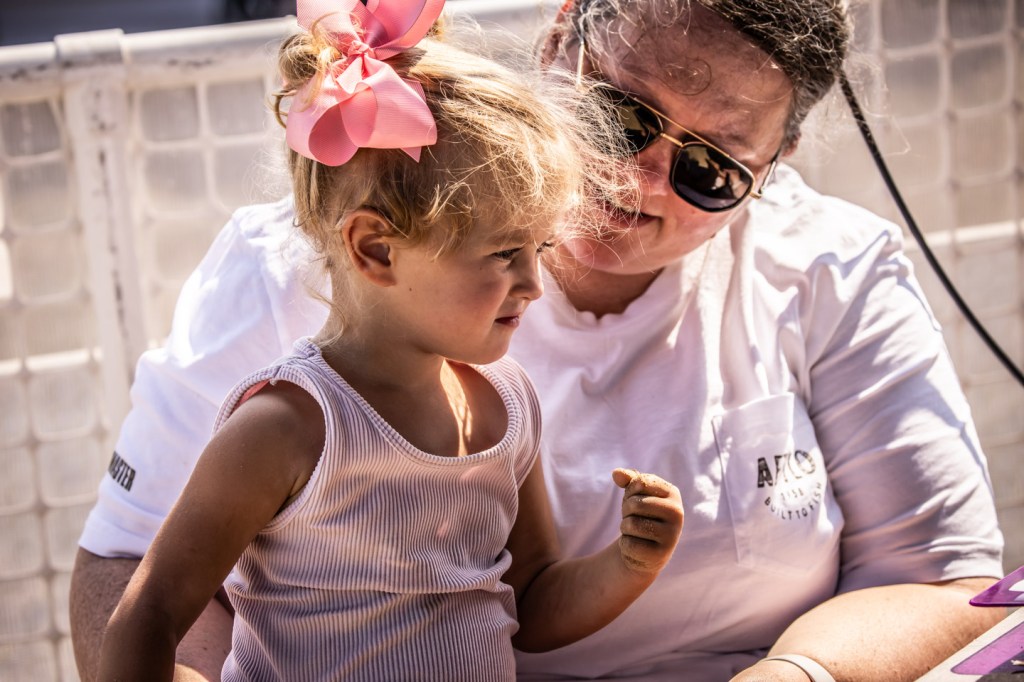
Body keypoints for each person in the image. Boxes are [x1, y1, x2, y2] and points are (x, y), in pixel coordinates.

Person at [72, 0, 1007, 680]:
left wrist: (792, 676)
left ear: (775, 165)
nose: (640, 180)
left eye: (711, 170)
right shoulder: (307, 263)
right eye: (620, 115)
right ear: (560, 36)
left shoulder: (833, 269)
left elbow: (946, 585)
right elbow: (129, 570)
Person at [92, 1, 684, 679]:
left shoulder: (505, 405)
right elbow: (149, 614)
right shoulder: (288, 427)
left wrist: (629, 564)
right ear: (375, 248)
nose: (533, 284)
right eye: (503, 254)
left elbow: (532, 600)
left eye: (539, 248)